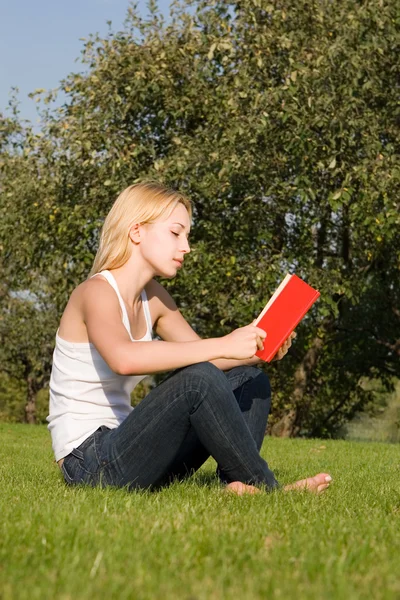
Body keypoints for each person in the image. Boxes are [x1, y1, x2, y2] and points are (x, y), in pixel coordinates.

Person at [47, 182, 332, 495]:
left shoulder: (153, 297)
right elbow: (124, 358)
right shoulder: (96, 292)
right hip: (90, 462)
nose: (186, 247)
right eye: (175, 233)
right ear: (137, 231)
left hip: (134, 450)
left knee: (249, 380)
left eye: (187, 236)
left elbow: (208, 362)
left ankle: (237, 486)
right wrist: (226, 343)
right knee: (199, 380)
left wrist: (261, 347)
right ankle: (268, 490)